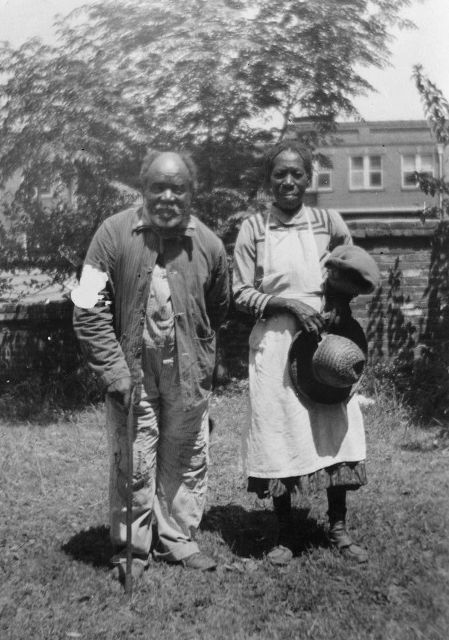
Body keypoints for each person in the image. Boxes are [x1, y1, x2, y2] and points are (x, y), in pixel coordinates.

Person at [72, 150, 229, 581]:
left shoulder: (209, 245)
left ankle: (177, 539)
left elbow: (219, 309)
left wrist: (204, 358)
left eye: (178, 189)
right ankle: (133, 548)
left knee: (186, 456)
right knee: (134, 459)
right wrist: (114, 370)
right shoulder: (113, 234)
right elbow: (87, 307)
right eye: (158, 187)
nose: (167, 197)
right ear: (143, 189)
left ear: (191, 193)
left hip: (188, 372)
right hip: (132, 371)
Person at [232, 140, 370, 566]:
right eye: (280, 174)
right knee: (278, 430)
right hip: (276, 341)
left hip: (324, 344)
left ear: (308, 179)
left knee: (335, 426)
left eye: (296, 173)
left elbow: (351, 270)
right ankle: (285, 533)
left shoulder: (328, 221)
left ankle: (338, 527)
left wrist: (337, 304)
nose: (288, 181)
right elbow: (239, 292)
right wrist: (287, 304)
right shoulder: (253, 228)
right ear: (268, 180)